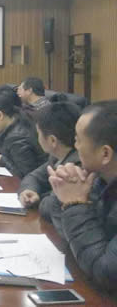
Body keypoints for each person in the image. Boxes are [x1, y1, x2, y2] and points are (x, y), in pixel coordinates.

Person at [46, 101, 117, 292]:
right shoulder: (100, 178)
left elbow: (106, 272)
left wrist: (73, 204)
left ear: (105, 153)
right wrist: (62, 191)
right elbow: (68, 234)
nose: (74, 146)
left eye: (78, 140)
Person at [18, 102, 81, 220]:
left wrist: (38, 198)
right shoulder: (56, 156)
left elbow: (50, 207)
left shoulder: (76, 167)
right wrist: (29, 190)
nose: (37, 138)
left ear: (52, 140)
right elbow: (34, 177)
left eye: (38, 134)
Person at [0, 93, 46, 178]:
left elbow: (24, 174)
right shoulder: (18, 121)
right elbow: (10, 152)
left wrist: (2, 160)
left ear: (0, 115)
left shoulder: (17, 137)